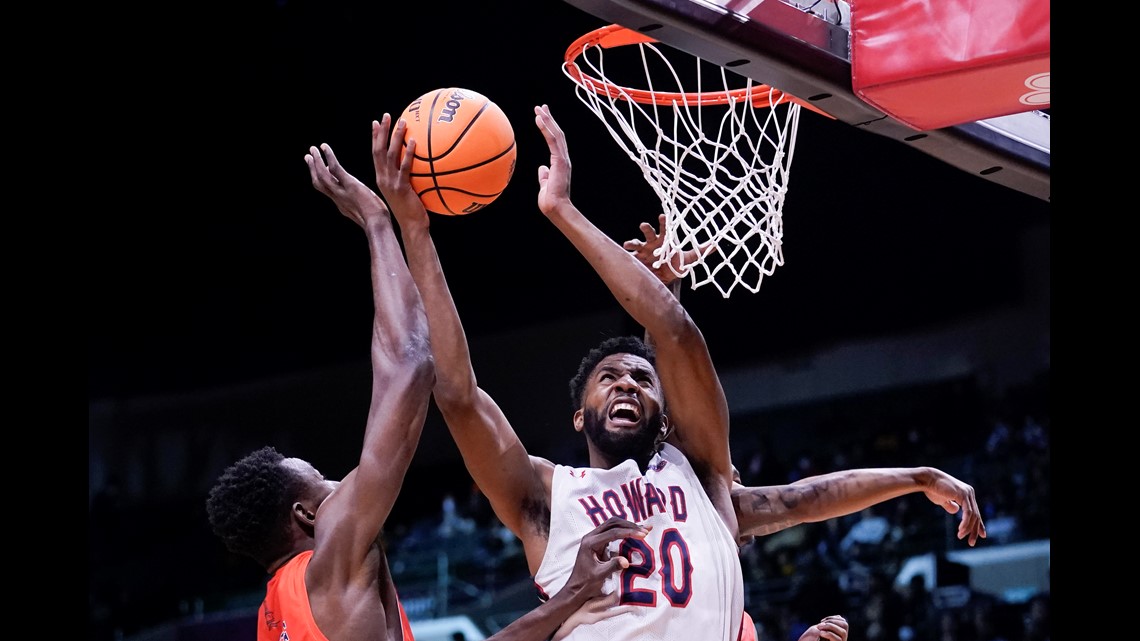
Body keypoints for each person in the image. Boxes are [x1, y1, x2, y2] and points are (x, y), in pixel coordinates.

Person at [205, 140, 653, 641]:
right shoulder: (330, 561)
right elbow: (411, 367)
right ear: (307, 516)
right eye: (326, 482)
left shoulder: (275, 616)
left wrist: (570, 596)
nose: (342, 484)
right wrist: (379, 220)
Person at [372, 105, 745, 641]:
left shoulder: (703, 471)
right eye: (609, 378)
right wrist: (415, 229)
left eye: (643, 381)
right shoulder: (548, 496)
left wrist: (563, 211)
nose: (626, 384)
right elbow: (459, 397)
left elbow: (675, 331)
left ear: (668, 420)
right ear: (577, 417)